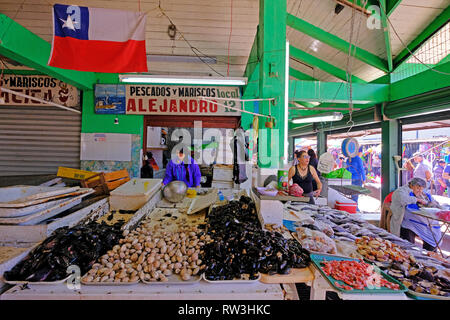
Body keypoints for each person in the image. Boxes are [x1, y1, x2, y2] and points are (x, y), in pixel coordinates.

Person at [390, 177, 442, 251]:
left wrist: (435, 204)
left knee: (432, 235)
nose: (420, 191)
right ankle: (408, 252)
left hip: (422, 221)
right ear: (411, 185)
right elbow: (404, 200)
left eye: (421, 189)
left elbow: (433, 202)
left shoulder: (423, 193)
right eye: (418, 188)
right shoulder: (401, 192)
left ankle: (430, 254)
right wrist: (417, 200)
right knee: (407, 239)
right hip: (406, 221)